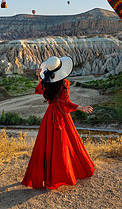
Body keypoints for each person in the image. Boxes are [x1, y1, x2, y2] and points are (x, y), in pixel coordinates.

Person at [22, 56, 95, 189]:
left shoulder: (46, 82)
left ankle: (47, 176)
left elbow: (40, 89)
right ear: (61, 69)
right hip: (61, 116)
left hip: (49, 116)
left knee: (47, 145)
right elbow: (64, 102)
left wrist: (39, 76)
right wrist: (80, 107)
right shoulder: (64, 83)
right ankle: (62, 175)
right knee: (64, 145)